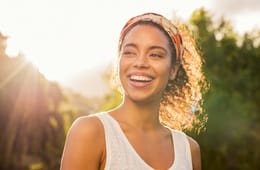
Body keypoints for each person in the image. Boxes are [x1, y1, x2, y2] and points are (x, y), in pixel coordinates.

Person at [60, 12, 207, 170]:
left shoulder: (188, 151)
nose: (140, 63)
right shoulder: (90, 132)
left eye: (155, 55)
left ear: (173, 69)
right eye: (130, 52)